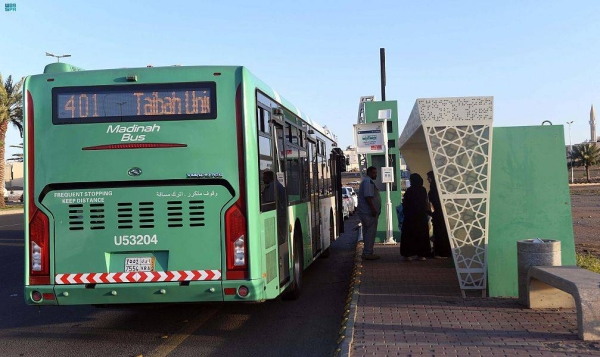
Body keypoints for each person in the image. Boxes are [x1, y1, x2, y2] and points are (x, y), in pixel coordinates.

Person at [400, 173, 431, 261]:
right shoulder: (423, 190)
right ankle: (422, 254)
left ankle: (408, 254)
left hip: (410, 217)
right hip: (421, 217)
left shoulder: (410, 190)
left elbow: (406, 203)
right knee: (421, 235)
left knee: (409, 236)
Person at [356, 166, 382, 260]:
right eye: (374, 173)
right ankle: (368, 253)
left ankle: (367, 252)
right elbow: (368, 197)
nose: (376, 175)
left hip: (366, 212)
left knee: (367, 233)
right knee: (370, 233)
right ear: (369, 173)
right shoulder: (368, 182)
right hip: (368, 213)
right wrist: (373, 209)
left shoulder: (367, 181)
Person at [427, 171, 452, 258]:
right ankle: (444, 252)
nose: (428, 179)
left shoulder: (433, 190)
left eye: (429, 177)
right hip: (442, 215)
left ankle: (440, 252)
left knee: (439, 233)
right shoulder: (440, 188)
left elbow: (432, 204)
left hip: (438, 215)